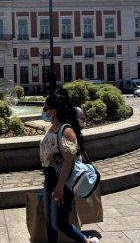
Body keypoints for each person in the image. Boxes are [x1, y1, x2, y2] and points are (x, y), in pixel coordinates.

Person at [39, 93, 98, 243]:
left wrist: (59, 187)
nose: (43, 110)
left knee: (58, 222)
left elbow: (69, 160)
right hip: (49, 177)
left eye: (46, 107)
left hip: (63, 181)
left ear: (54, 111)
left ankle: (86, 242)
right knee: (48, 219)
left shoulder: (67, 131)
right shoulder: (51, 126)